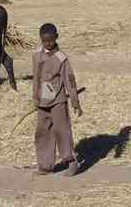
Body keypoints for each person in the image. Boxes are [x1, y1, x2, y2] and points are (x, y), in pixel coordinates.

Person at [32, 22, 83, 176]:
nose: (47, 43)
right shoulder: (36, 55)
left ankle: (71, 162)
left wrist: (75, 102)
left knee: (62, 131)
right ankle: (45, 166)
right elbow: (36, 78)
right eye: (44, 41)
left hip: (58, 101)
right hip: (41, 102)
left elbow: (70, 80)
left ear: (56, 38)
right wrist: (35, 98)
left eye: (50, 40)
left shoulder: (62, 59)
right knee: (42, 132)